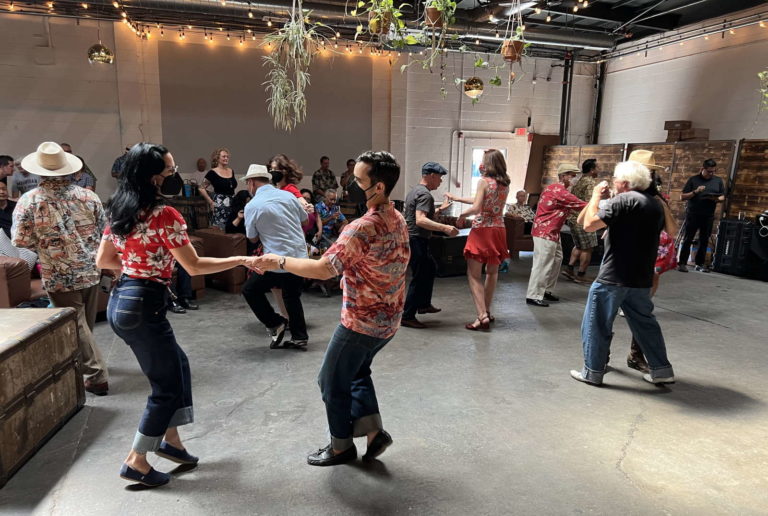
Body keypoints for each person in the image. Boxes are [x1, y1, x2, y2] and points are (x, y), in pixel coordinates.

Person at [96, 143, 257, 488]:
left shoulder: (120, 209)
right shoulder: (164, 214)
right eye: (170, 172)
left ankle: (172, 443)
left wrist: (139, 266)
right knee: (166, 388)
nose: (175, 176)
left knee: (178, 367)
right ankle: (136, 460)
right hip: (144, 304)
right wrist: (242, 259)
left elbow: (104, 262)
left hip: (122, 301)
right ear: (153, 178)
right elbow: (194, 265)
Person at [255, 150, 409, 466]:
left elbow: (326, 268)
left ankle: (341, 447)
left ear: (378, 187)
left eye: (358, 180)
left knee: (330, 381)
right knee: (356, 371)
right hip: (389, 320)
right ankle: (372, 433)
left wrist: (278, 261)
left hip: (361, 322)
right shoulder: (397, 218)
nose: (350, 184)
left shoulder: (363, 227)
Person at [12, 142, 109, 395]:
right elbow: (104, 231)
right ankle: (84, 365)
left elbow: (20, 240)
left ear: (39, 171)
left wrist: (45, 243)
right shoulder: (89, 196)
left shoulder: (30, 200)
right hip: (91, 268)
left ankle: (97, 373)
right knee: (85, 323)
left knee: (75, 322)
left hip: (58, 271)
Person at [570, 161, 675, 386]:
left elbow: (587, 224)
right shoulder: (654, 204)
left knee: (595, 324)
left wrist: (597, 195)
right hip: (641, 277)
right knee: (645, 324)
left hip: (613, 276)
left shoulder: (623, 200)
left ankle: (592, 372)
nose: (614, 183)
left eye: (616, 179)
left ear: (625, 183)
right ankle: (661, 369)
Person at [241, 164, 310, 350]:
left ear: (251, 183)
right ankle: (299, 337)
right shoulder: (289, 196)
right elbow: (305, 220)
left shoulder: (252, 205)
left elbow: (252, 238)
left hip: (276, 260)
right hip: (299, 257)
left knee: (250, 290)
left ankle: (275, 322)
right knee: (292, 296)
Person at [446, 149, 510, 329]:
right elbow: (480, 201)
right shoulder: (505, 183)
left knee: (473, 275)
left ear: (488, 163)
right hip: (499, 229)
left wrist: (461, 215)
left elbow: (476, 208)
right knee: (492, 272)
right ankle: (487, 312)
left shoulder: (483, 181)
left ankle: (481, 316)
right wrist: (457, 198)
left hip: (482, 230)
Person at [401, 162, 458, 329]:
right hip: (417, 239)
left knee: (430, 267)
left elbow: (419, 215)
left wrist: (440, 210)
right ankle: (407, 315)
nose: (440, 182)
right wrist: (445, 228)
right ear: (431, 175)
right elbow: (420, 220)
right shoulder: (425, 195)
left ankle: (423, 304)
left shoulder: (415, 191)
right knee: (419, 276)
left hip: (414, 238)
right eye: (439, 178)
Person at [525, 163, 586, 307]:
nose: (574, 178)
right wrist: (600, 203)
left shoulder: (558, 189)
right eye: (572, 175)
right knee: (543, 263)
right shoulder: (559, 190)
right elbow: (579, 204)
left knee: (556, 259)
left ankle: (545, 290)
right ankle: (533, 294)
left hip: (551, 231)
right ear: (563, 176)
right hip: (545, 231)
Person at [678, 158, 725, 273]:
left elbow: (723, 196)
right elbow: (682, 197)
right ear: (702, 169)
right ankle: (682, 263)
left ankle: (699, 264)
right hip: (693, 214)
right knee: (688, 239)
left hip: (708, 215)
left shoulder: (718, 181)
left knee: (704, 240)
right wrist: (696, 192)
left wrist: (716, 199)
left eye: (713, 171)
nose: (711, 174)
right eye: (709, 171)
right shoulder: (693, 180)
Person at [563, 158, 599, 283]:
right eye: (597, 167)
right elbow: (590, 202)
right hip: (584, 220)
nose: (598, 170)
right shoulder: (590, 182)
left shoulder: (579, 181)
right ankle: (581, 275)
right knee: (588, 248)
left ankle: (570, 269)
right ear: (592, 169)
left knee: (579, 245)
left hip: (573, 218)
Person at [198, 148, 237, 230]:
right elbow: (201, 188)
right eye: (223, 156)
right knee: (220, 228)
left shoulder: (231, 171)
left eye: (227, 157)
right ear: (217, 158)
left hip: (232, 202)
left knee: (231, 227)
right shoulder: (212, 172)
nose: (226, 158)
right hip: (219, 204)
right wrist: (210, 202)